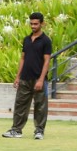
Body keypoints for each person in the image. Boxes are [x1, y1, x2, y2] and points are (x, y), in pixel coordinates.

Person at [3, 11, 52, 140]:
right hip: (25, 78)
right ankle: (16, 130)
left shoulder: (46, 41)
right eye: (31, 24)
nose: (33, 26)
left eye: (36, 24)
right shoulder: (26, 39)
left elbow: (47, 61)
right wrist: (17, 77)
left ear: (42, 24)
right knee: (20, 105)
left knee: (40, 106)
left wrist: (41, 79)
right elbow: (23, 59)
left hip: (39, 79)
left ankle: (39, 131)